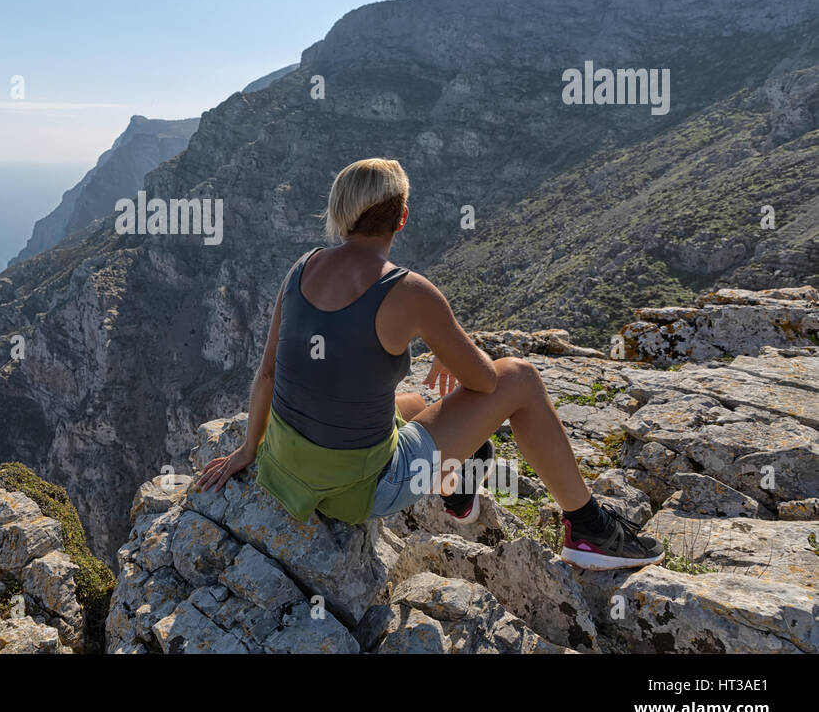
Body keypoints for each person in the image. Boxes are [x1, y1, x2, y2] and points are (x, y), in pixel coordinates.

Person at [195, 157, 663, 571]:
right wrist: (452, 348)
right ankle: (589, 528)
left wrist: (248, 451)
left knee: (416, 401)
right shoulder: (409, 290)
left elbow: (268, 374)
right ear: (402, 217)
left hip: (284, 465)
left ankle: (458, 487)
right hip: (362, 492)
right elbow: (482, 381)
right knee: (519, 377)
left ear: (339, 215)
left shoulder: (302, 266)